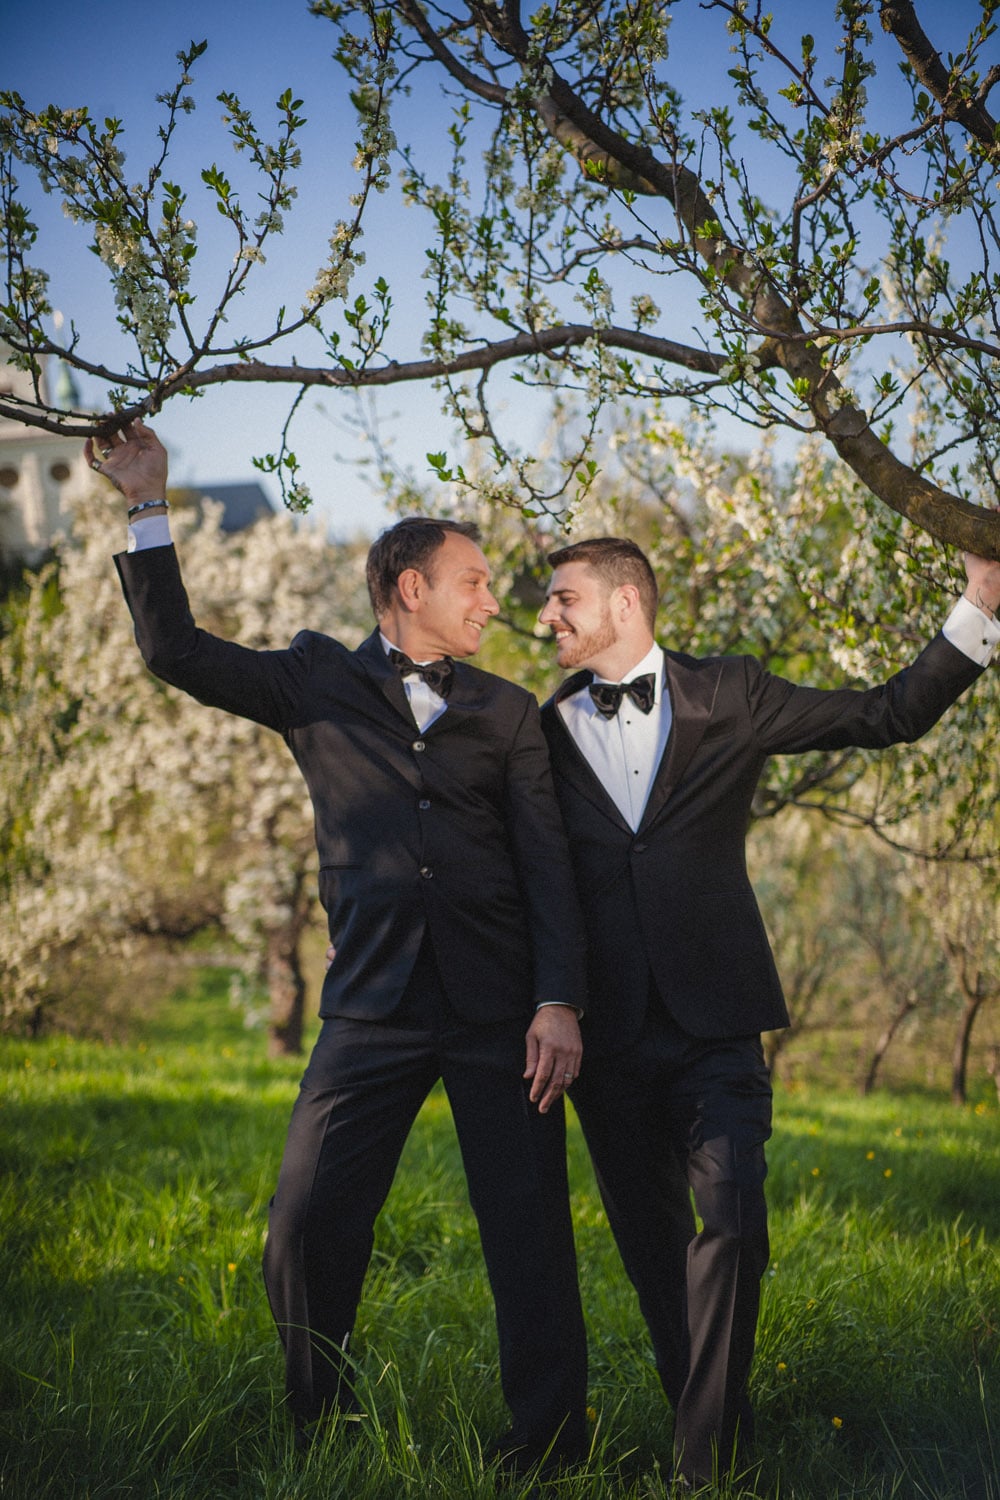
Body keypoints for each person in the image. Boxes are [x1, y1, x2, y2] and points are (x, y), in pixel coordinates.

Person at [89, 420, 590, 1473]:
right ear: (410, 588)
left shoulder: (507, 712)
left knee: (529, 1234)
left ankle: (548, 1447)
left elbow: (547, 863)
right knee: (306, 1225)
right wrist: (146, 501)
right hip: (369, 1007)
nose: (492, 601)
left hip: (501, 1011)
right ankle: (320, 1421)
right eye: (474, 581)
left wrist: (558, 1000)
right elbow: (175, 652)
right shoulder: (314, 680)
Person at [536, 534, 1000, 1486]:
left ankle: (701, 1464)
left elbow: (887, 716)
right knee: (655, 1254)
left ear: (626, 602)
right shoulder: (540, 729)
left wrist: (980, 607)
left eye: (562, 598)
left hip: (719, 1021)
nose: (547, 617)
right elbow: (508, 868)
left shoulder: (732, 692)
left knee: (735, 1224)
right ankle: (718, 1430)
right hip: (607, 1034)